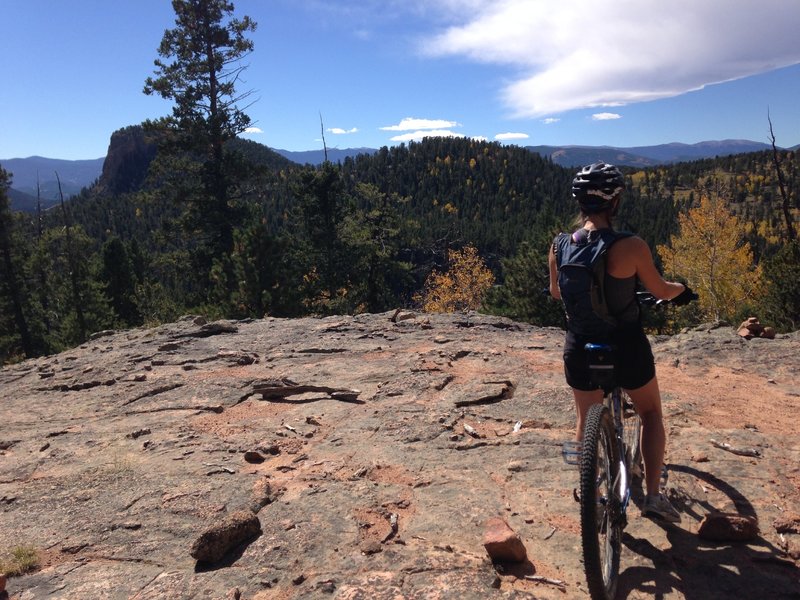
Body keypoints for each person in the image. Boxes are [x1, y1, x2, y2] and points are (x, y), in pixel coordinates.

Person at [548, 162, 694, 523]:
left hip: (580, 346)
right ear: (615, 202)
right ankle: (654, 497)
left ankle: (590, 494)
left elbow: (555, 292)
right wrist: (683, 291)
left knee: (586, 416)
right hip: (626, 346)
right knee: (650, 413)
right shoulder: (630, 246)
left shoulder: (559, 245)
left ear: (579, 202)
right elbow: (660, 290)